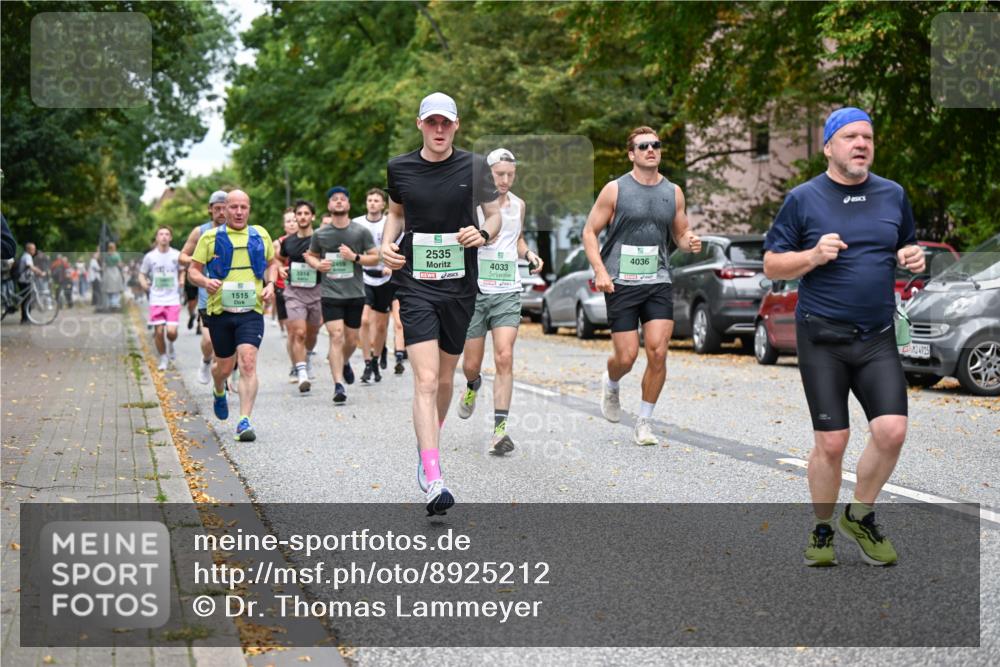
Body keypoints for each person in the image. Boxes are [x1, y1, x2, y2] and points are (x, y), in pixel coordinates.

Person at [763, 107, 924, 567]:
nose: (861, 144)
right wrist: (812, 255)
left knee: (892, 431)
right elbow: (773, 264)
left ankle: (861, 513)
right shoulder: (803, 199)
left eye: (867, 137)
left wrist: (911, 255)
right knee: (832, 443)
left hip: (875, 337)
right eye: (850, 136)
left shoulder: (893, 195)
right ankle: (821, 528)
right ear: (829, 146)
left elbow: (904, 246)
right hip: (822, 338)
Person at [381, 92, 502, 515]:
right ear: (419, 124)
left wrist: (482, 234)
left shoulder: (475, 165)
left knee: (447, 378)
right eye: (431, 122)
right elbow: (396, 215)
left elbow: (494, 215)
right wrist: (386, 246)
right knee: (427, 379)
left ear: (456, 125)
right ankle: (433, 475)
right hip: (414, 284)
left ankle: (426, 443)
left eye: (445, 123)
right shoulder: (400, 167)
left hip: (460, 286)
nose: (438, 129)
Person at [582, 126, 702, 446]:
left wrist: (688, 241)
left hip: (658, 279)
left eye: (656, 145)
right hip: (620, 281)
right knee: (627, 356)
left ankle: (644, 422)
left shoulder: (673, 192)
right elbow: (589, 232)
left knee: (658, 352)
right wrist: (600, 270)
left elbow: (680, 231)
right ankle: (611, 381)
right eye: (643, 146)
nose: (651, 150)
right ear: (631, 154)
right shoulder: (615, 189)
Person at [456, 148, 544, 455]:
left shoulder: (518, 205)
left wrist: (529, 253)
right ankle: (472, 384)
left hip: (507, 289)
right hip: (475, 291)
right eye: (499, 175)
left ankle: (500, 430)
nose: (505, 180)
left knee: (504, 356)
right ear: (488, 175)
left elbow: (516, 239)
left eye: (510, 175)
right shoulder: (474, 205)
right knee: (470, 365)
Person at [188, 190, 277, 442]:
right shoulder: (210, 237)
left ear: (249, 209)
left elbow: (272, 264)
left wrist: (271, 284)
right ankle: (218, 390)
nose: (239, 212)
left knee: (248, 361)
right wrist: (205, 281)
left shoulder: (260, 234)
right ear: (224, 210)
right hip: (220, 312)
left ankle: (244, 421)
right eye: (234, 207)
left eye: (244, 207)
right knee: (223, 367)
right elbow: (192, 272)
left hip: (251, 311)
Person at [303, 186, 378, 405]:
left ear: (348, 205)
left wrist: (354, 257)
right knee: (336, 336)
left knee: (352, 340)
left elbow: (375, 257)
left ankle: (343, 362)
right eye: (334, 199)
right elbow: (311, 256)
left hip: (354, 292)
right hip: (330, 293)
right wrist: (319, 265)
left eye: (342, 199)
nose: (338, 202)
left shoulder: (359, 231)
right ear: (329, 205)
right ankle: (338, 385)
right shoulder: (320, 234)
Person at [180, 190, 230, 385]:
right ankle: (206, 360)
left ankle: (222, 381)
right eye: (217, 208)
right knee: (209, 341)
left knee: (226, 344)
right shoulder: (200, 231)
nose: (221, 213)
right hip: (206, 295)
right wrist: (198, 261)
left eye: (224, 208)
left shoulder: (237, 231)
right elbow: (182, 256)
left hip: (231, 295)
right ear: (210, 210)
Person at [277, 200, 323, 393]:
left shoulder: (322, 238)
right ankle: (301, 372)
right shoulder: (288, 242)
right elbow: (279, 258)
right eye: (299, 214)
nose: (302, 217)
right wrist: (280, 268)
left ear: (312, 216)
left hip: (317, 291)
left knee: (312, 334)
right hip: (294, 292)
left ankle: (308, 355)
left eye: (306, 213)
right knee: (299, 333)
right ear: (295, 217)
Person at [355, 188, 395, 384]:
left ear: (383, 205)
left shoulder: (390, 223)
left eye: (376, 200)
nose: (372, 203)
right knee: (363, 320)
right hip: (364, 277)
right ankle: (367, 362)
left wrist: (390, 265)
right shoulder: (357, 224)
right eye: (369, 200)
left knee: (380, 326)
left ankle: (377, 358)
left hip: (385, 278)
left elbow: (397, 245)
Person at [139, 226, 183, 370]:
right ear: (157, 238)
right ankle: (163, 358)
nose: (164, 237)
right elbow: (142, 274)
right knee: (158, 331)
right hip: (156, 298)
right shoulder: (150, 257)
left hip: (172, 299)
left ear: (170, 238)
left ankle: (170, 345)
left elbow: (183, 270)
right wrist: (144, 284)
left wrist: (182, 279)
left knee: (171, 332)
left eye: (167, 234)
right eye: (161, 234)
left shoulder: (177, 255)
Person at [274, 208, 298, 379]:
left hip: (305, 287)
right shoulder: (279, 243)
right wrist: (280, 267)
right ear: (284, 225)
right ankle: (295, 364)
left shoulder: (310, 240)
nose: (291, 223)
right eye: (288, 221)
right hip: (284, 287)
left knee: (302, 330)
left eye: (294, 220)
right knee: (291, 330)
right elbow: (273, 261)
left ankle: (303, 358)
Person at [17, 242, 46, 323]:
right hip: (25, 280)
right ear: (28, 249)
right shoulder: (27, 256)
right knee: (27, 300)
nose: (34, 250)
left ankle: (25, 318)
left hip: (23, 280)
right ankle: (25, 318)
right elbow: (30, 266)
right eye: (33, 249)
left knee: (26, 299)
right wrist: (40, 272)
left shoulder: (26, 256)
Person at [102, 242, 124, 310]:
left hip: (108, 272)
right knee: (116, 289)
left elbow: (104, 265)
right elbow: (119, 264)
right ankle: (114, 303)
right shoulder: (116, 255)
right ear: (114, 247)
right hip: (115, 271)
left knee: (108, 289)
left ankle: (109, 303)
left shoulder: (106, 255)